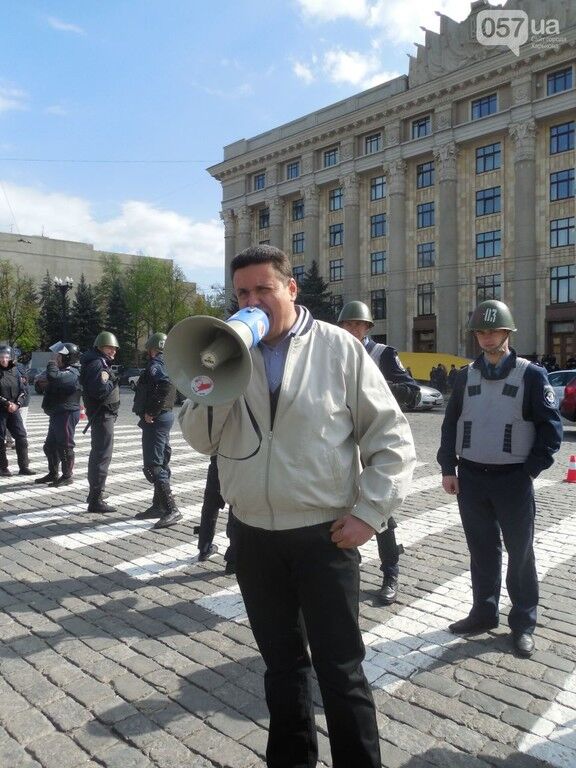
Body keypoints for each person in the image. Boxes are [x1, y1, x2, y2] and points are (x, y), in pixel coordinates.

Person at [179, 245, 416, 768]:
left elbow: (392, 440)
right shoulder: (225, 353)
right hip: (254, 535)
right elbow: (200, 440)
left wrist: (369, 514)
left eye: (263, 289)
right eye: (242, 292)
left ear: (290, 289)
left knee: (341, 671)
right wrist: (210, 383)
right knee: (281, 668)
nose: (252, 300)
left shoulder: (339, 349)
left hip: (323, 535)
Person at [437, 299, 562, 658]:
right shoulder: (465, 375)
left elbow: (550, 429)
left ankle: (523, 623)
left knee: (520, 554)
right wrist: (449, 467)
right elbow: (450, 425)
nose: (486, 337)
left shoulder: (532, 375)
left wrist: (531, 469)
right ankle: (483, 612)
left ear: (507, 333)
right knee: (481, 551)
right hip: (472, 478)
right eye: (480, 331)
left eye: (492, 330)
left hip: (512, 479)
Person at [338, 299, 420, 605]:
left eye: (358, 325)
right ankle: (350, 571)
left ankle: (390, 572)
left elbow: (410, 390)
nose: (352, 329)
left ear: (368, 328)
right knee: (342, 510)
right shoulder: (333, 353)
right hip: (343, 444)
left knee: (380, 512)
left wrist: (373, 386)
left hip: (372, 442)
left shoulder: (382, 354)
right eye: (347, 324)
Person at [132, 332, 182, 529]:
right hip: (165, 417)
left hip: (157, 419)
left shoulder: (156, 364)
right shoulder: (169, 362)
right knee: (161, 460)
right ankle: (158, 506)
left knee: (154, 465)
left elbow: (164, 385)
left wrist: (151, 411)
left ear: (152, 349)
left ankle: (171, 509)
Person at [79, 331, 121, 513]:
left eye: (114, 348)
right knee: (102, 457)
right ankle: (96, 499)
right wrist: (113, 380)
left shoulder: (97, 362)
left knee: (98, 455)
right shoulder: (98, 364)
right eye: (109, 347)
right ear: (100, 347)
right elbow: (100, 391)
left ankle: (94, 493)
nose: (112, 351)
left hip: (102, 415)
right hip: (103, 415)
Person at [34, 341, 82, 486]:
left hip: (66, 413)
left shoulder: (73, 371)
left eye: (59, 355)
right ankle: (53, 473)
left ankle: (67, 476)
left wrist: (51, 362)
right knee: (49, 446)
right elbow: (43, 379)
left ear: (67, 357)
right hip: (57, 412)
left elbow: (53, 377)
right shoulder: (62, 370)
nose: (55, 357)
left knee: (65, 446)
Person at [195, 455, 237, 573]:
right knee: (236, 504)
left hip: (218, 456)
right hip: (240, 458)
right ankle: (233, 558)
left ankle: (204, 546)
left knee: (211, 502)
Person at [0, 345, 36, 477]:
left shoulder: (15, 371)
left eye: (6, 357)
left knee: (21, 436)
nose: (4, 360)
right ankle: (3, 467)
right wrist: (6, 403)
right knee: (0, 438)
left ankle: (24, 466)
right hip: (1, 409)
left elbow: (23, 390)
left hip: (14, 408)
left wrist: (17, 404)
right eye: (1, 357)